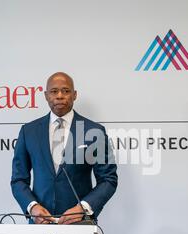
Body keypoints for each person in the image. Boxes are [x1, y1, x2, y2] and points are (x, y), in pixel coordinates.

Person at [11, 72, 118, 224]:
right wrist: (32, 207)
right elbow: (18, 179)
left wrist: (84, 208)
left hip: (80, 224)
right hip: (40, 224)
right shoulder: (29, 131)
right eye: (54, 91)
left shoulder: (94, 131)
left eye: (66, 91)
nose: (60, 96)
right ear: (46, 95)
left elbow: (108, 179)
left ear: (74, 95)